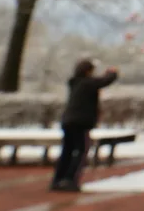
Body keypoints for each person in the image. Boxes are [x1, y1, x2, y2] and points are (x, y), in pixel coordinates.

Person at [50, 59, 118, 192]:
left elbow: (98, 81)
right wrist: (112, 73)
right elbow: (104, 81)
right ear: (88, 71)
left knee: (67, 151)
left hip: (68, 121)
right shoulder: (88, 83)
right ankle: (70, 180)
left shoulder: (75, 82)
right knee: (80, 151)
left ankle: (57, 180)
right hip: (81, 122)